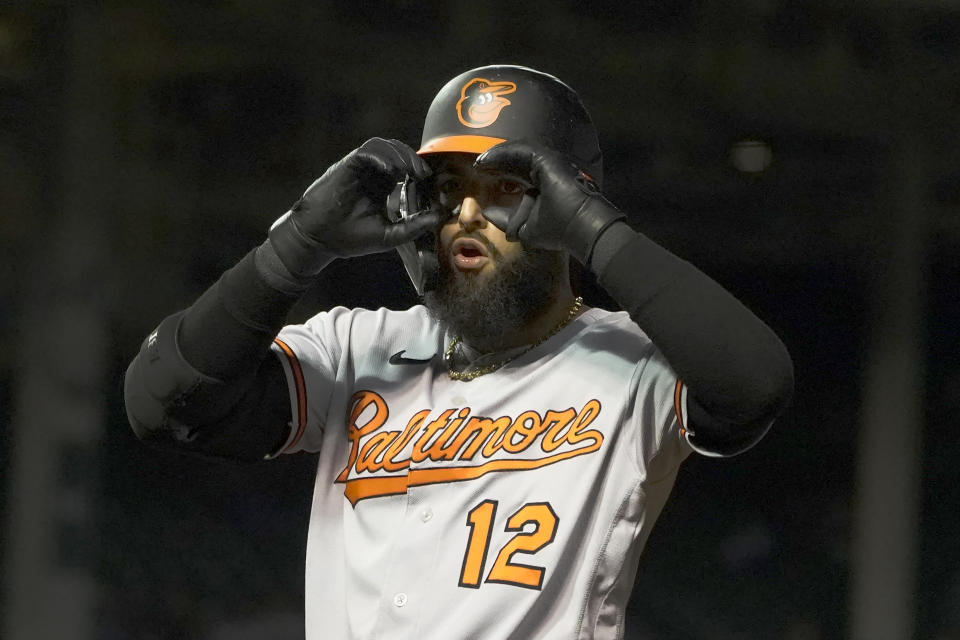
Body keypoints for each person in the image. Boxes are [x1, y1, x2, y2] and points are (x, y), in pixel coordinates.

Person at [124, 65, 793, 639]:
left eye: (504, 187)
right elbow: (163, 401)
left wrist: (594, 230)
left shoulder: (631, 360)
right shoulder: (356, 346)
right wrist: (298, 243)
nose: (466, 215)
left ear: (567, 197)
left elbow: (756, 385)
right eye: (448, 188)